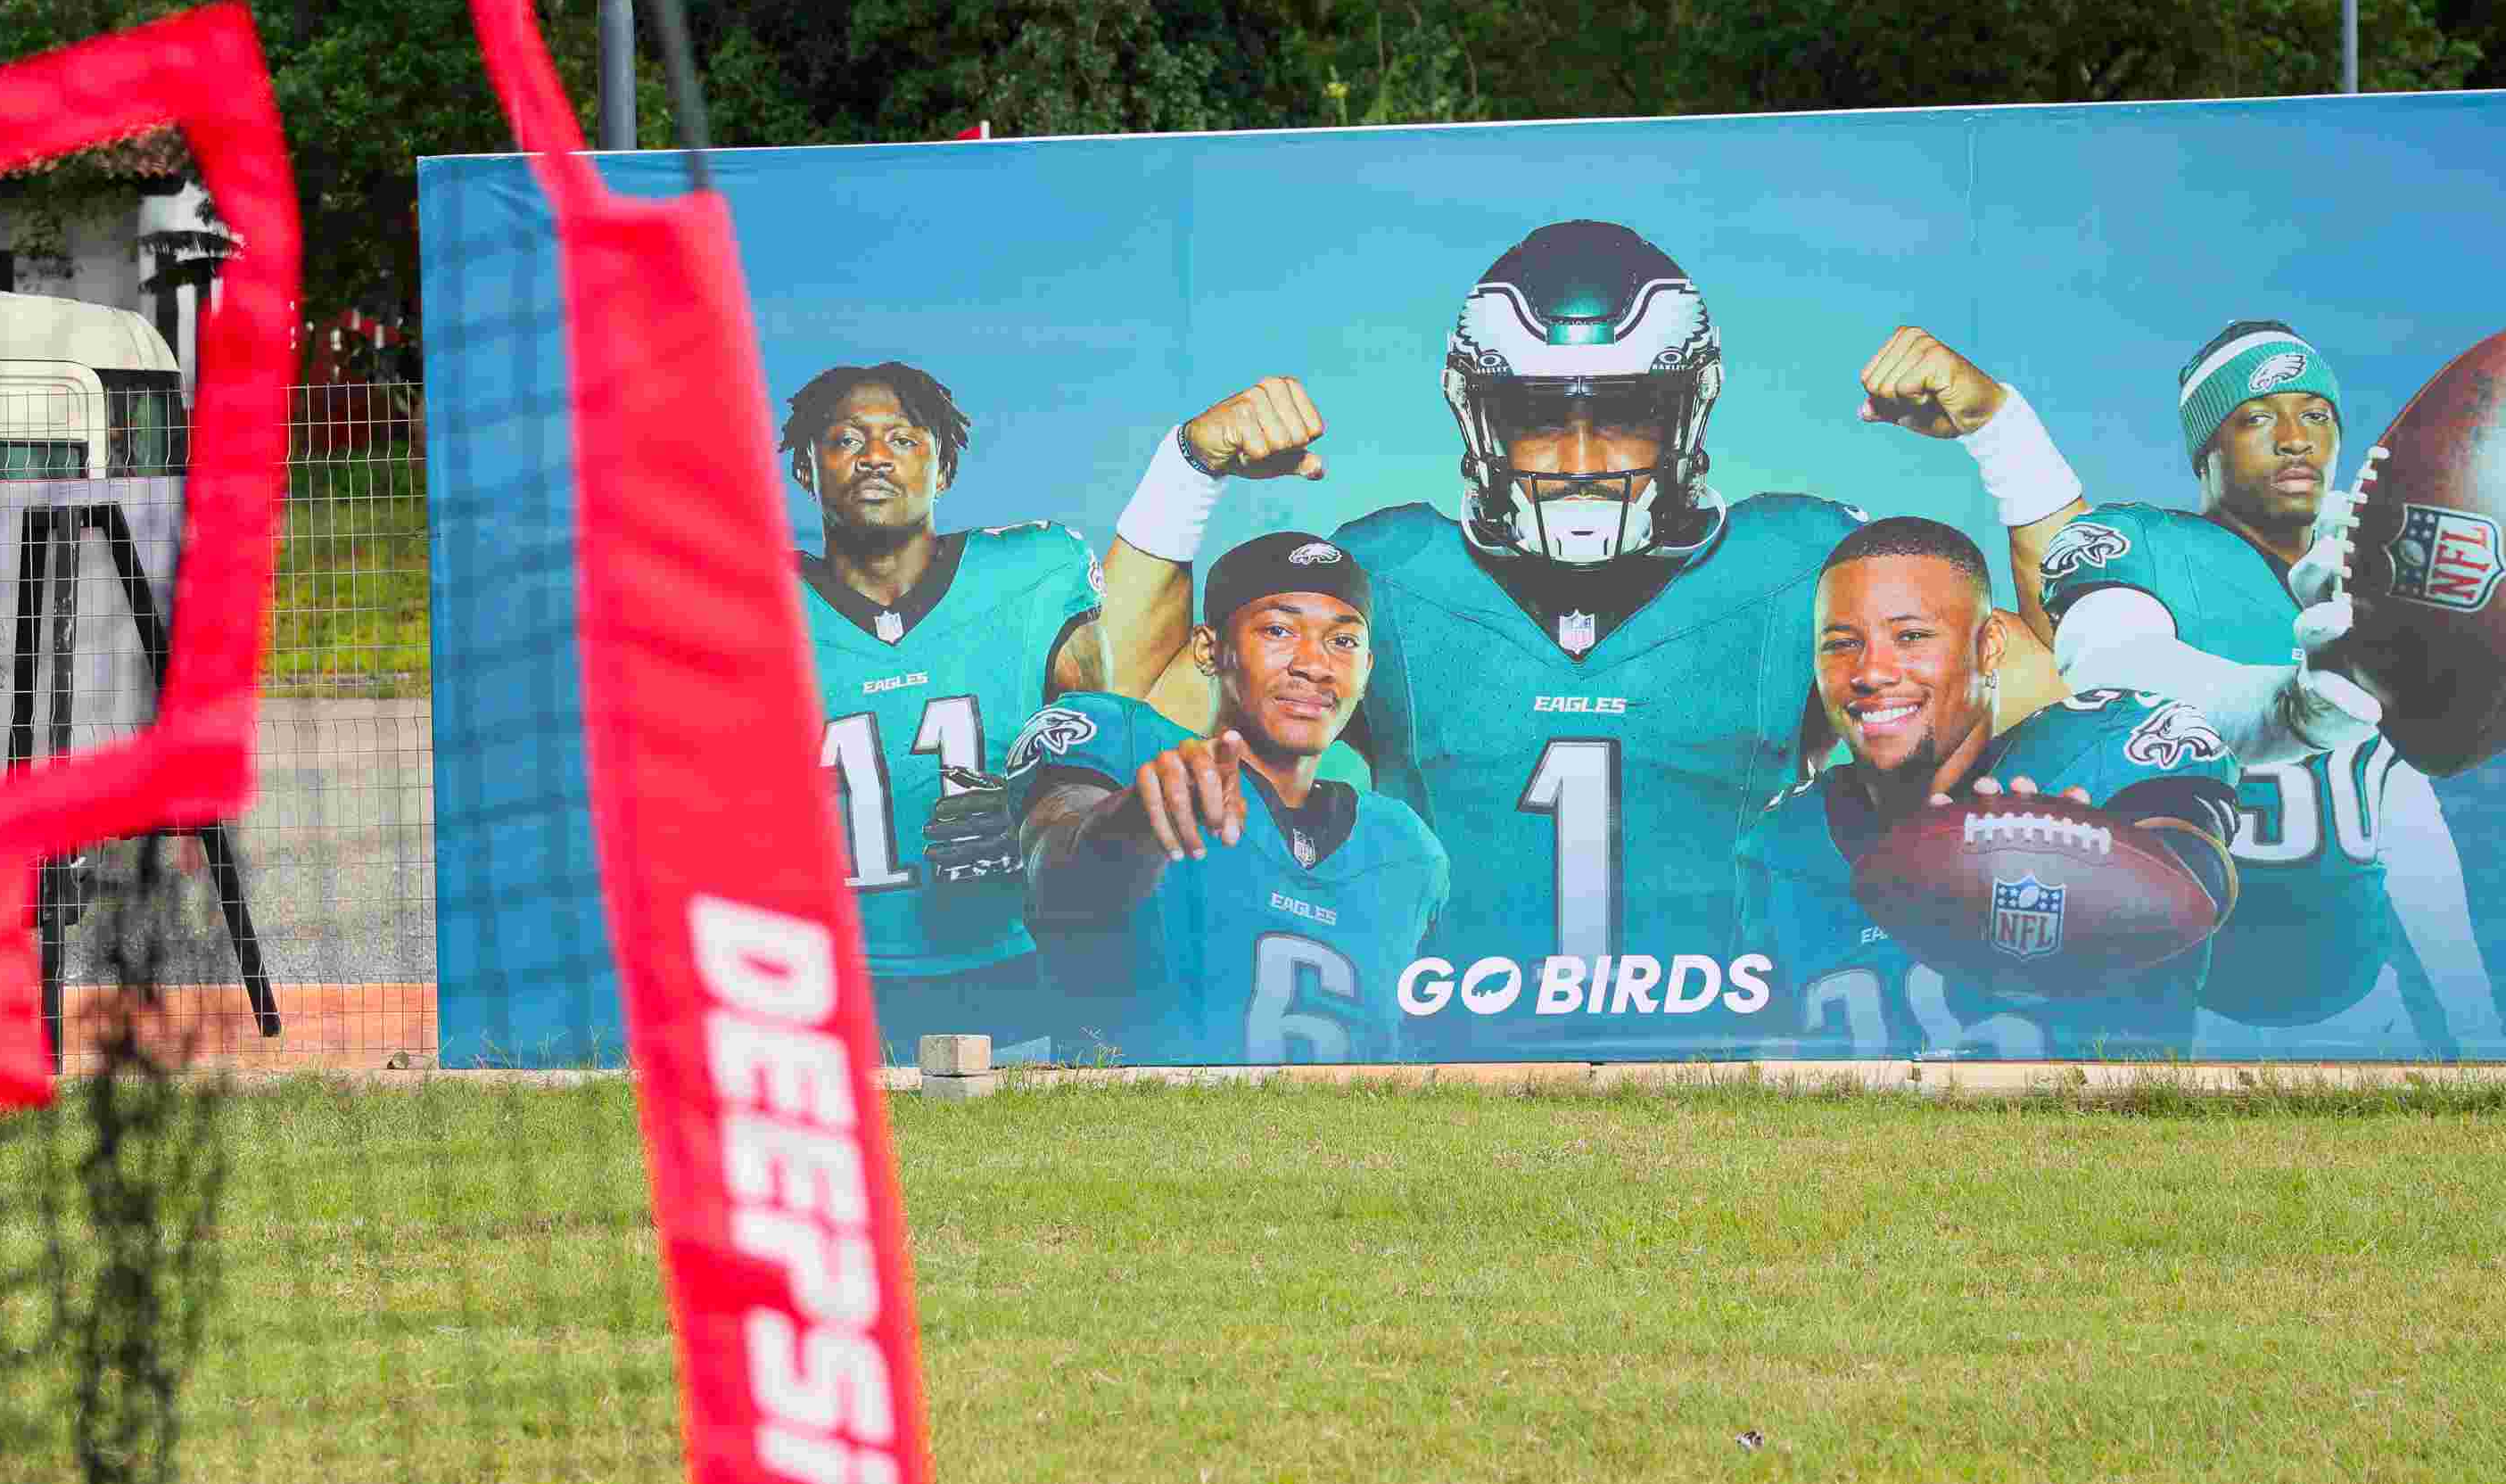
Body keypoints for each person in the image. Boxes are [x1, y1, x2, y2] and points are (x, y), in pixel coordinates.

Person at [1102, 224, 1893, 1051]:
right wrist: (1189, 469)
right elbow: (1140, 709)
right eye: (1541, 419)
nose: (1582, 460)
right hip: (1455, 1089)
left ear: (1686, 414)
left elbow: (2009, 696)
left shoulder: (1793, 564)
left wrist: (1999, 437)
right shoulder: (1392, 573)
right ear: (1479, 418)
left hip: (1722, 1075)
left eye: (1622, 416)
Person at [1872, 317, 2502, 1059]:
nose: (2296, 437)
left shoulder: (2367, 575)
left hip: (2363, 1006)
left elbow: (2396, 803)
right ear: (2207, 449)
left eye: (2317, 414)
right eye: (2258, 417)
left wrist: (2477, 1022)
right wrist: (2290, 708)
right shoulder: (2151, 548)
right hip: (2195, 1009)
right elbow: (2119, 673)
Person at [787, 360, 1317, 1060]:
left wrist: (1023, 811)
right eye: (848, 439)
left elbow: (1106, 733)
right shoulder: (751, 603)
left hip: (1015, 979)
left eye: (904, 438)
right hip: (827, 995)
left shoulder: (1031, 573)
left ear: (943, 467)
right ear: (805, 467)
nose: (877, 455)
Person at [1735, 517, 2243, 1058]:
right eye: (1841, 644)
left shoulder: (2098, 742)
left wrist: (2093, 873)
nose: (1872, 672)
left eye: (1911, 636)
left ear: (1989, 645)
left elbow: (2195, 875)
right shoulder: (1782, 841)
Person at [1006, 533, 1447, 1064]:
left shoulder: (1405, 846)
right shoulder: (1127, 741)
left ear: (1368, 668)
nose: (1315, 664)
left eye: (1344, 642)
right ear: (1209, 649)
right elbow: (1054, 872)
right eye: (1279, 630)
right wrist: (1132, 824)